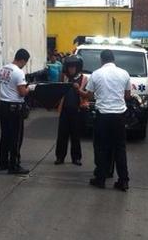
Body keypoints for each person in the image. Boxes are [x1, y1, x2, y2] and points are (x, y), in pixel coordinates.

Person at [82, 50, 131, 191]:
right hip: (119, 116)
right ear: (113, 59)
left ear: (101, 60)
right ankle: (124, 181)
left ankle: (101, 179)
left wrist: (78, 91)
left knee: (101, 148)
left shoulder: (96, 74)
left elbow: (89, 96)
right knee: (120, 148)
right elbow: (127, 96)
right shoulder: (124, 73)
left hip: (103, 116)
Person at [0, 49, 32, 175]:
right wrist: (30, 88)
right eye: (25, 62)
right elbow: (22, 92)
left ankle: (2, 163)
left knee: (5, 135)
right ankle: (14, 165)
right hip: (14, 107)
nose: (24, 65)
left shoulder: (3, 69)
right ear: (22, 60)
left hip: (3, 105)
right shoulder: (18, 72)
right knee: (16, 138)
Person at [54, 56, 88, 166]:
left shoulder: (83, 79)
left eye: (73, 67)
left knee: (76, 135)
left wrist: (78, 89)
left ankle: (76, 158)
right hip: (64, 110)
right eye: (69, 67)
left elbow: (87, 94)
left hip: (77, 110)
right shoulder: (64, 77)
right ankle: (60, 157)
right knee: (62, 135)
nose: (71, 69)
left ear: (77, 67)